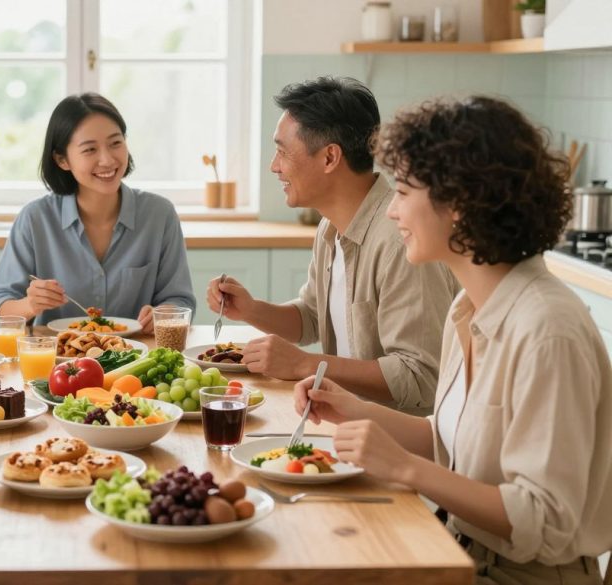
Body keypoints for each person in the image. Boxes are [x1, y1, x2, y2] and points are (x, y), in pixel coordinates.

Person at [295, 96, 612, 584]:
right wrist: (347, 406)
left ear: (460, 204)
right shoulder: (467, 310)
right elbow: (447, 440)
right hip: (458, 549)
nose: (393, 211)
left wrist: (404, 469)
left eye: (402, 192)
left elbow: (544, 518)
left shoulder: (547, 330)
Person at [207, 77, 458, 413]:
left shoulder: (401, 241)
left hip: (395, 444)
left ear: (329, 158)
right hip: (345, 424)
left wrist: (305, 365)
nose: (274, 166)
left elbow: (420, 377)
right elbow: (312, 317)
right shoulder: (330, 228)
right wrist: (251, 310)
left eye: (282, 151)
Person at [0, 92, 195, 333]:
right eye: (89, 150)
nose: (107, 160)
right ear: (62, 159)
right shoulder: (35, 219)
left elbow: (180, 301)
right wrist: (29, 305)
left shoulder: (159, 214)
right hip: (58, 362)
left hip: (136, 362)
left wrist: (163, 314)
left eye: (116, 143)